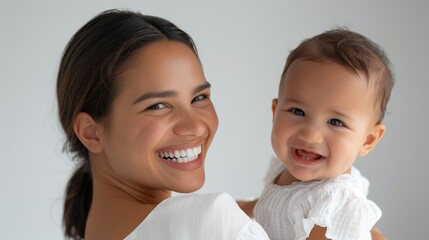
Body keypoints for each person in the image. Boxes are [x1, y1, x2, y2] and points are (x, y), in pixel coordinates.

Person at [57, 9, 269, 240]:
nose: (195, 127)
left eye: (199, 98)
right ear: (91, 133)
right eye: (158, 106)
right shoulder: (214, 223)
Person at [250, 28, 393, 239]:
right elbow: (268, 207)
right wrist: (236, 209)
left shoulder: (335, 202)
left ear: (367, 140)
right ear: (275, 112)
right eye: (298, 111)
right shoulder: (284, 168)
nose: (310, 135)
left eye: (336, 122)